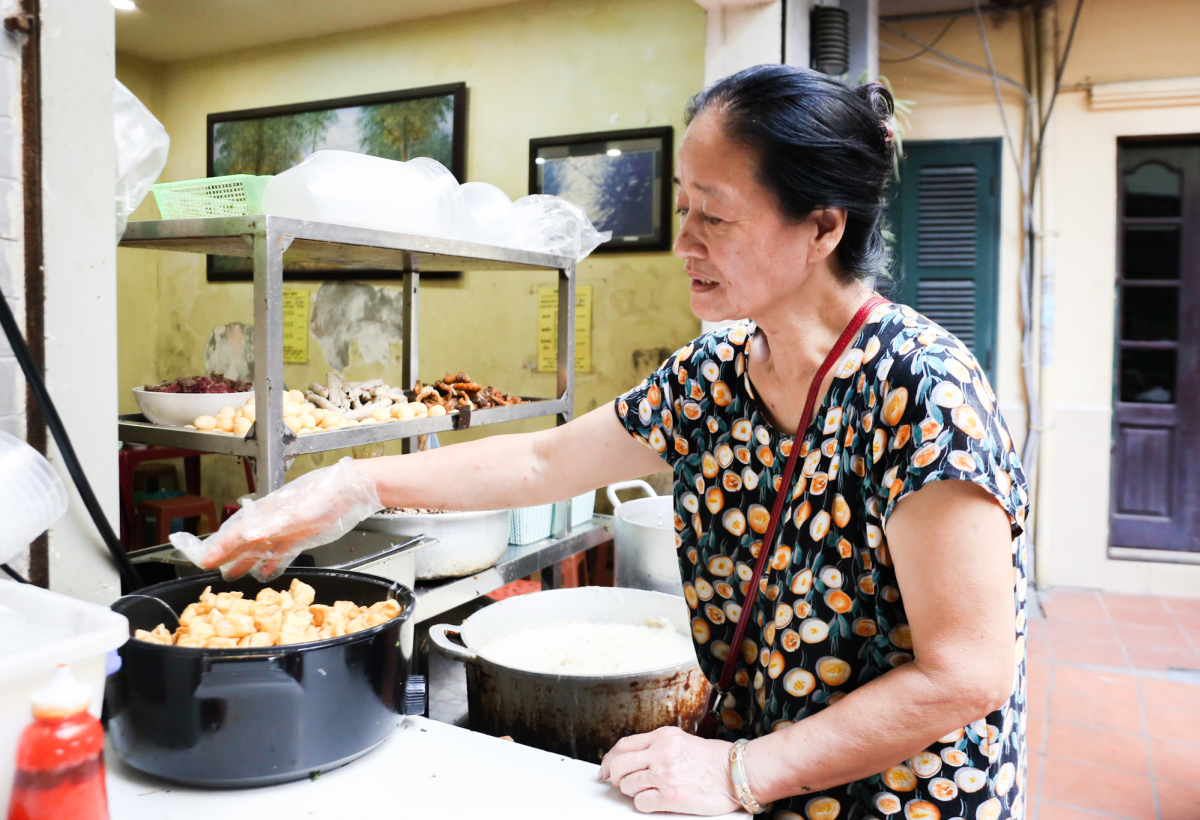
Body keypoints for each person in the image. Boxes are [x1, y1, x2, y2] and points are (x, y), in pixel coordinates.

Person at [193, 65, 1029, 820]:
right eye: (683, 211)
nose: (684, 245)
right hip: (755, 779)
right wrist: (356, 484)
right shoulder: (721, 370)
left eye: (717, 217)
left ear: (822, 229)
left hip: (898, 798)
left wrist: (742, 773)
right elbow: (543, 461)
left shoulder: (922, 394)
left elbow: (967, 673)